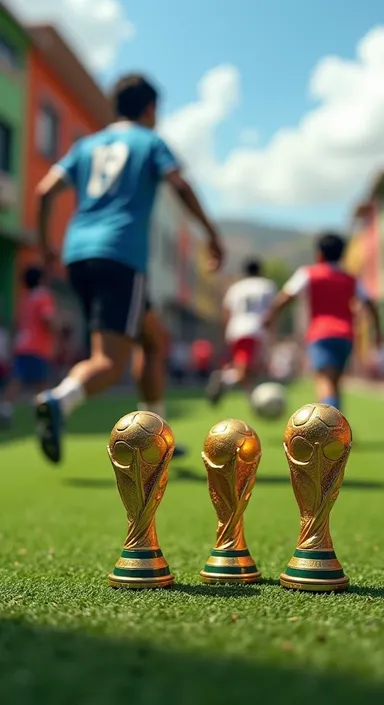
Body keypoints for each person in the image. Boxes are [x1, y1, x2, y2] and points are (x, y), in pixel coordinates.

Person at [34, 73, 223, 464]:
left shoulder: (86, 146)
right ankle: (59, 400)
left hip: (77, 252)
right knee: (109, 360)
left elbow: (44, 191)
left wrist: (44, 247)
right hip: (120, 255)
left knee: (153, 339)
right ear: (151, 109)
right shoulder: (149, 141)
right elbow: (181, 186)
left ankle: (156, 439)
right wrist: (211, 234)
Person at [264, 232, 380, 411]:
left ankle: (328, 427)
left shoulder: (309, 274)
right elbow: (370, 303)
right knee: (335, 382)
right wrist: (377, 330)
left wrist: (270, 316)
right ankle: (338, 429)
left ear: (319, 254)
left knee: (324, 380)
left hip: (321, 334)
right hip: (346, 336)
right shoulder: (351, 279)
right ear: (342, 254)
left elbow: (286, 296)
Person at [206, 259, 277, 404]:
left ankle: (252, 400)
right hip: (255, 329)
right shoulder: (267, 286)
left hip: (235, 329)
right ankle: (225, 379)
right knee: (245, 369)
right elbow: (273, 310)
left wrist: (226, 332)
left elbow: (226, 312)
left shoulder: (236, 288)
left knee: (249, 369)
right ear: (260, 270)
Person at [0, 267, 55, 428]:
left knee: (17, 379)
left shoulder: (25, 299)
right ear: (40, 279)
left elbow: (17, 324)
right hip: (38, 347)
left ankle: (5, 408)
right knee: (41, 382)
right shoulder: (43, 296)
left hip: (22, 345)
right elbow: (47, 319)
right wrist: (56, 331)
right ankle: (43, 415)